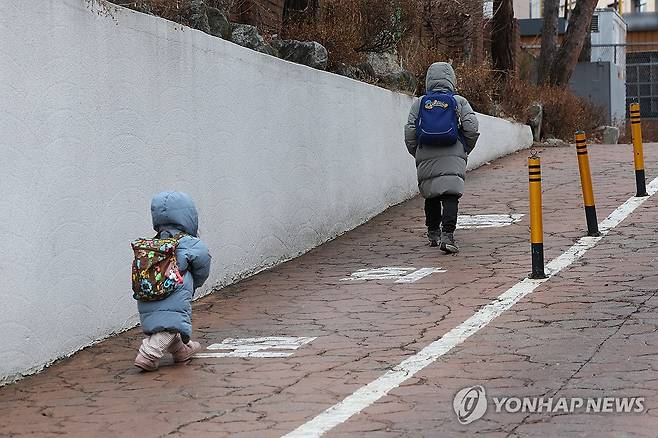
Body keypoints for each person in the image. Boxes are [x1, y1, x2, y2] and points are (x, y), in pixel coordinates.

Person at [404, 62, 480, 253]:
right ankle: (448, 235)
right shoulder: (459, 101)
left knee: (431, 194)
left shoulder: (420, 103)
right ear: (451, 80)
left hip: (426, 151)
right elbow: (471, 127)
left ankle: (432, 233)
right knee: (450, 194)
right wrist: (464, 148)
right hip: (453, 151)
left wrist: (418, 152)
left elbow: (410, 131)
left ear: (429, 80)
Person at [134, 191, 212, 371]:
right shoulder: (190, 243)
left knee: (167, 322)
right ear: (188, 217)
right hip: (176, 291)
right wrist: (195, 282)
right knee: (168, 326)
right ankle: (148, 353)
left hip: (148, 293)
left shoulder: (152, 245)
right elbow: (203, 265)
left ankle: (181, 349)